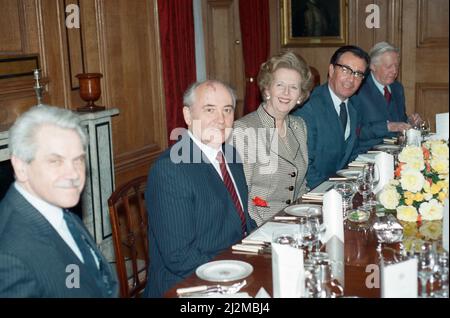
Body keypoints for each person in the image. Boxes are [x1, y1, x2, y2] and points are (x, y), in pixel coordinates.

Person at [144, 80, 257, 297]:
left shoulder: (231, 156)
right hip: (187, 285)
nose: (221, 120)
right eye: (209, 110)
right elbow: (180, 257)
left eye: (227, 110)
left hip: (234, 269)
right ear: (187, 116)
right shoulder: (170, 170)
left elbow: (243, 223)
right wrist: (237, 271)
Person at [0, 105, 118, 297]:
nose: (73, 174)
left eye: (78, 160)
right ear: (21, 166)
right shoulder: (8, 255)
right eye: (55, 161)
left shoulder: (57, 206)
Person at [231, 51, 313, 226]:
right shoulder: (244, 130)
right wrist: (265, 229)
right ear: (267, 88)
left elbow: (300, 184)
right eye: (280, 85)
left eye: (293, 87)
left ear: (300, 96)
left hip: (297, 220)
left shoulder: (299, 126)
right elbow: (240, 194)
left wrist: (308, 215)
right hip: (260, 225)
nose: (286, 93)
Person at [292, 45, 370, 188]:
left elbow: (351, 154)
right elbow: (304, 166)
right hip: (312, 193)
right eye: (346, 70)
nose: (351, 79)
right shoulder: (308, 107)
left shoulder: (353, 107)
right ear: (331, 70)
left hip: (339, 189)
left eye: (358, 74)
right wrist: (334, 192)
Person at [353, 41, 422, 153]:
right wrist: (388, 127)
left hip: (396, 151)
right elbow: (356, 132)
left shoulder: (397, 88)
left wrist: (410, 122)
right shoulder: (358, 90)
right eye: (389, 66)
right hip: (367, 153)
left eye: (396, 66)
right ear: (373, 66)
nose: (395, 71)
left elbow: (399, 121)